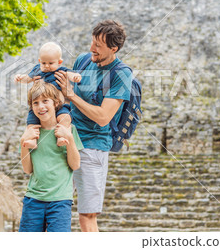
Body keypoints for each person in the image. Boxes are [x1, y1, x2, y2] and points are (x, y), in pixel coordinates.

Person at [54, 20, 133, 232]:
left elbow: (103, 117)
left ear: (113, 48)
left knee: (86, 216)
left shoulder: (121, 74)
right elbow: (67, 98)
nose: (91, 49)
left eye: (98, 46)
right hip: (66, 140)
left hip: (92, 147)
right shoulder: (83, 61)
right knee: (51, 207)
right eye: (92, 42)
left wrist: (71, 94)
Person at [18, 81, 84, 232]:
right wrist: (23, 142)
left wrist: (70, 139)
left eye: (45, 101)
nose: (41, 107)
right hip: (33, 200)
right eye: (35, 103)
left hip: (60, 201)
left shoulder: (69, 129)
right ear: (31, 107)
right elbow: (28, 169)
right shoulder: (31, 133)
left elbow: (75, 165)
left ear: (55, 103)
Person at [15, 42, 82, 147]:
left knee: (65, 118)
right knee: (31, 121)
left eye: (50, 63)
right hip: (41, 104)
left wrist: (75, 76)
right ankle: (32, 140)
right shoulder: (37, 70)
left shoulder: (61, 70)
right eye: (43, 63)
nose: (46, 66)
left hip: (59, 105)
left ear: (59, 62)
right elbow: (28, 78)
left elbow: (70, 74)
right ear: (39, 61)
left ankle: (62, 137)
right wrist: (20, 78)